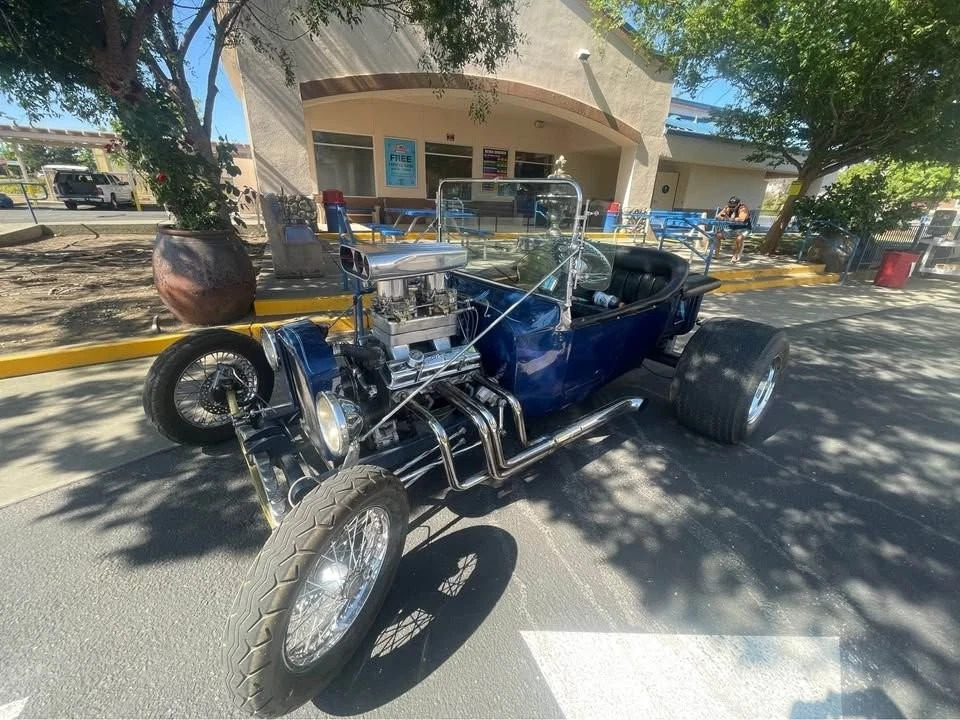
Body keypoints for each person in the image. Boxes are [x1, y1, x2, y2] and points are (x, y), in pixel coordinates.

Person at [715, 196, 752, 263]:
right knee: (718, 235)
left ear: (738, 205)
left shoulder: (743, 208)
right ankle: (716, 255)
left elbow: (741, 219)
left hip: (744, 229)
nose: (731, 208)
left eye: (733, 206)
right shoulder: (727, 208)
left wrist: (730, 219)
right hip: (731, 229)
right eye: (730, 206)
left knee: (739, 238)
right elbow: (718, 216)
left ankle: (735, 256)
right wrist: (722, 217)